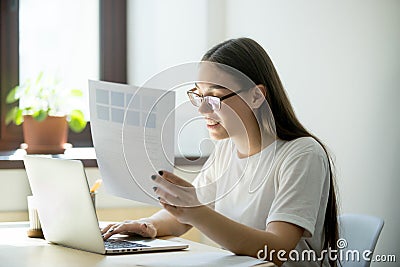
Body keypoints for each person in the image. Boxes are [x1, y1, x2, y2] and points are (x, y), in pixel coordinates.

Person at [101, 37, 339, 266]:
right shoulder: (226, 149)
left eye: (214, 97)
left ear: (256, 96)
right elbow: (184, 216)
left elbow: (275, 250)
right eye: (199, 95)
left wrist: (196, 212)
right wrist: (146, 225)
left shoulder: (302, 154)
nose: (202, 108)